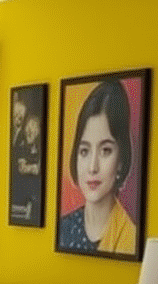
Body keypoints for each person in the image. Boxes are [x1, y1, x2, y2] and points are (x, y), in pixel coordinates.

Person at [57, 77, 136, 255]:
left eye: (105, 150)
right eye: (84, 151)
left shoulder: (129, 237)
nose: (92, 167)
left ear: (121, 160)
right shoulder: (63, 227)